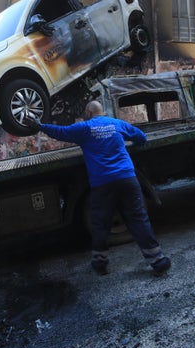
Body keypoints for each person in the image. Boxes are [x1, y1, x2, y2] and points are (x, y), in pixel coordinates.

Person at [25, 100, 171, 277]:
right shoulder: (116, 124)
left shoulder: (84, 128)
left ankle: (100, 264)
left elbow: (61, 132)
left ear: (88, 112)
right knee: (138, 219)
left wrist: (39, 125)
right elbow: (141, 137)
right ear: (102, 111)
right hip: (127, 178)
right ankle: (158, 261)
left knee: (101, 224)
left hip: (103, 184)